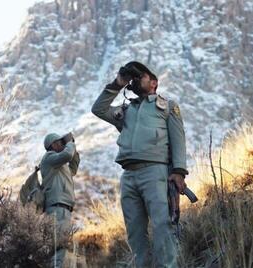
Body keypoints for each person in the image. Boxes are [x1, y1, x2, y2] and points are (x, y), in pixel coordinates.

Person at [91, 61, 188, 267]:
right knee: (135, 232)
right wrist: (118, 83)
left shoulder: (167, 107)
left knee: (162, 226)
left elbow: (178, 140)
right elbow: (98, 109)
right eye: (133, 78)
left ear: (154, 82)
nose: (135, 80)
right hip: (128, 175)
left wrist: (179, 171)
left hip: (155, 172)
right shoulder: (126, 110)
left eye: (140, 76)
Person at [40, 132, 80, 268]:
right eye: (60, 142)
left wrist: (73, 146)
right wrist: (69, 145)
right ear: (53, 144)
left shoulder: (61, 166)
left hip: (64, 209)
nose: (63, 145)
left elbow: (73, 165)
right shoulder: (49, 158)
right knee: (60, 246)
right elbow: (67, 155)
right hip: (57, 209)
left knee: (63, 247)